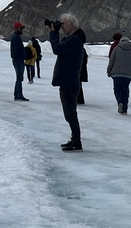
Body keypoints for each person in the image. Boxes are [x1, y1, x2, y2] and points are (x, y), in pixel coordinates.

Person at [48, 13, 86, 152]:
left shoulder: (74, 40)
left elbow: (57, 49)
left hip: (69, 81)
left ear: (72, 24)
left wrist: (53, 33)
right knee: (69, 113)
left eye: (63, 23)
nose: (61, 26)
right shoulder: (74, 39)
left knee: (70, 113)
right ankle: (75, 140)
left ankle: (76, 141)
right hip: (68, 80)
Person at [108, 35, 131, 114]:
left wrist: (108, 71)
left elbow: (111, 61)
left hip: (116, 73)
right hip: (128, 75)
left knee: (117, 89)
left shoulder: (116, 48)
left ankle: (120, 102)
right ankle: (124, 109)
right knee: (125, 90)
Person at [9, 22, 29, 101]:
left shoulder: (16, 37)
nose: (22, 30)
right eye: (20, 28)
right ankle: (18, 95)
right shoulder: (16, 38)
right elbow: (18, 51)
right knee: (19, 78)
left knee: (19, 78)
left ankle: (17, 94)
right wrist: (23, 56)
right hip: (18, 60)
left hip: (18, 60)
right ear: (16, 28)